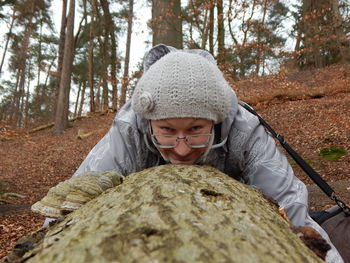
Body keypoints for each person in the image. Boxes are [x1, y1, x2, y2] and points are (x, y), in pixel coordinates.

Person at [60, 44, 345, 262]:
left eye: (196, 129)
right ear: (148, 122)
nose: (182, 149)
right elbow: (67, 209)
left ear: (217, 120)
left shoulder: (244, 129)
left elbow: (291, 209)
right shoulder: (129, 129)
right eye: (167, 131)